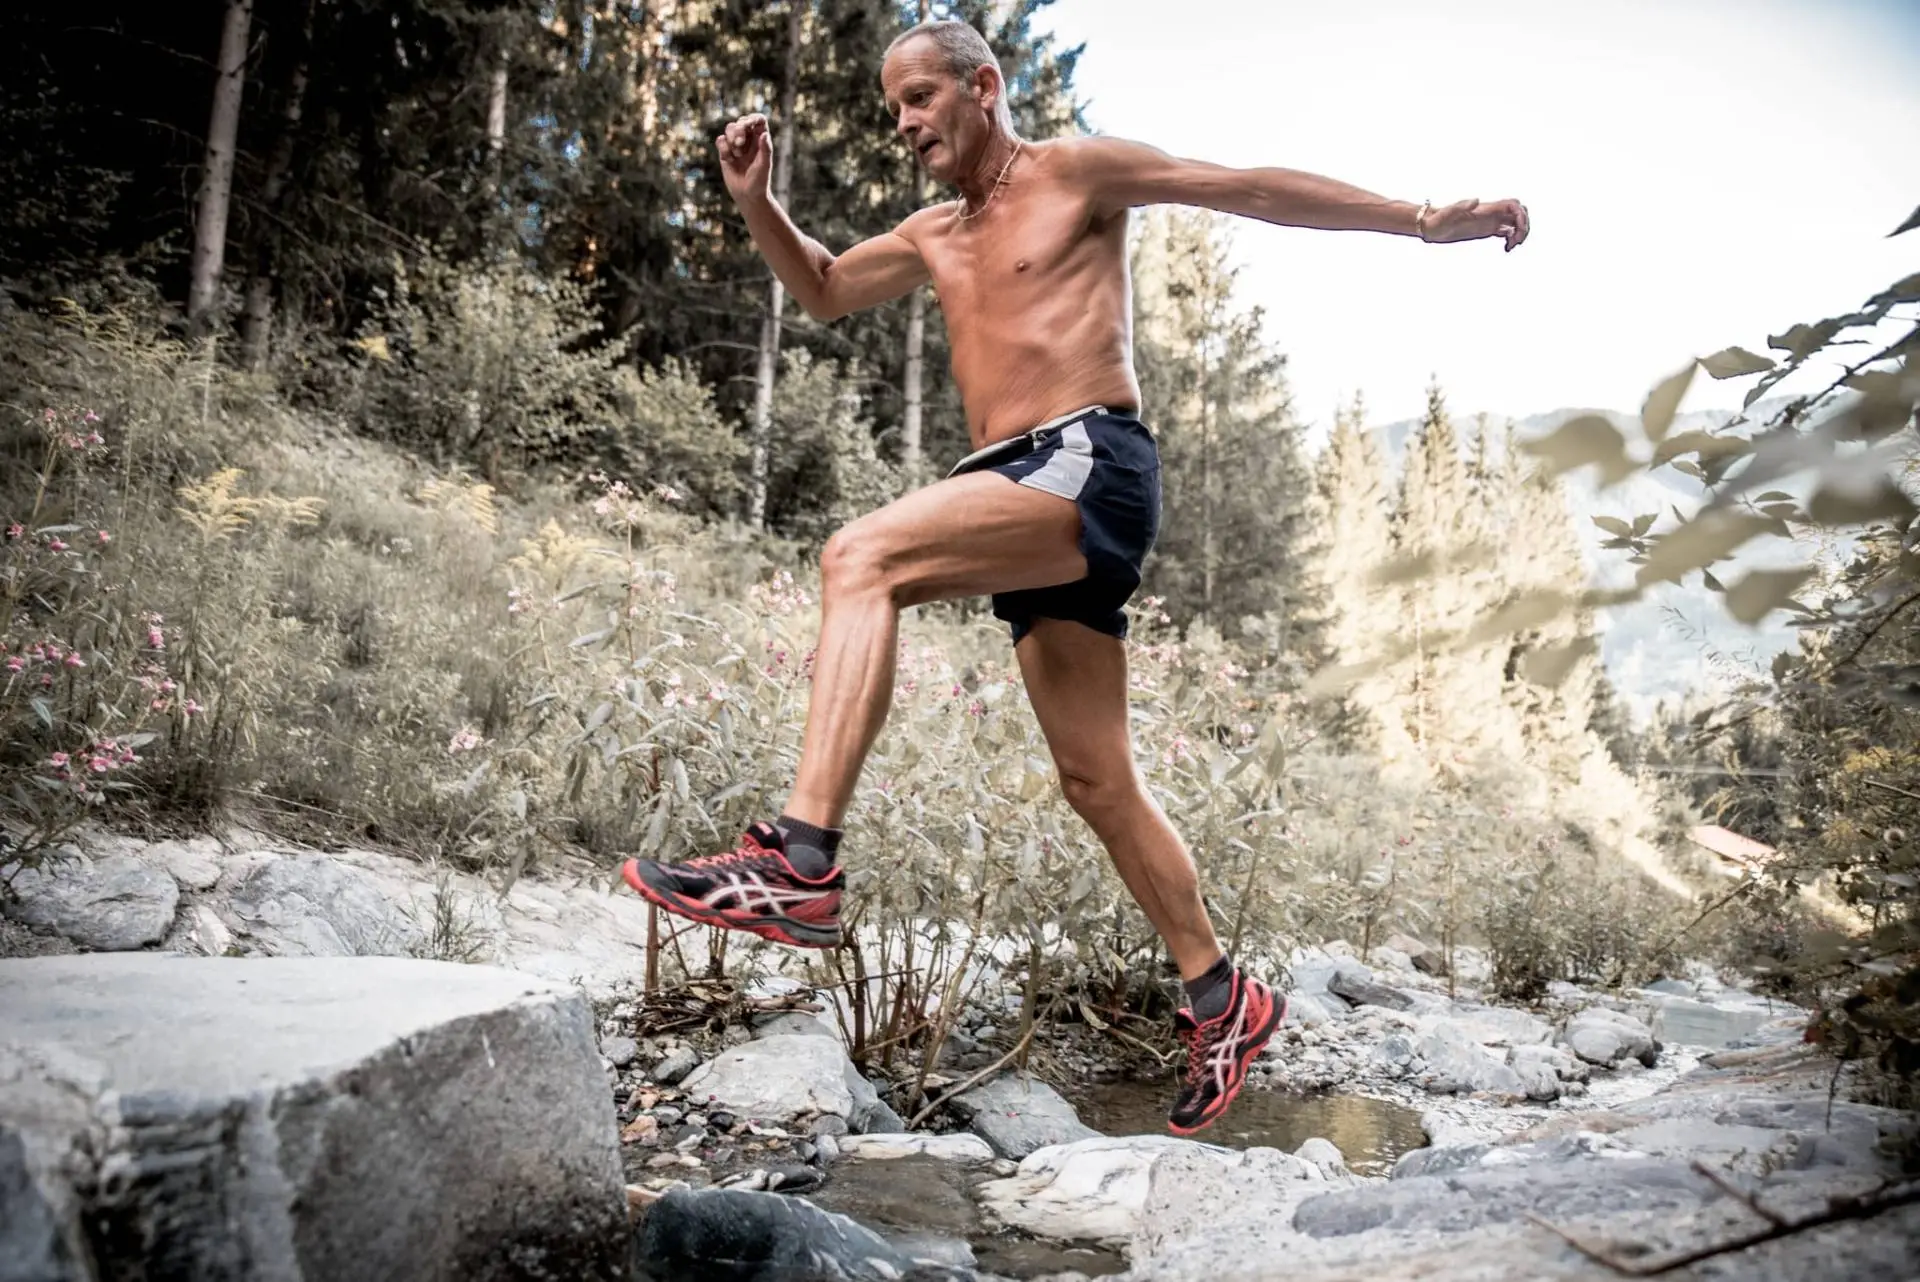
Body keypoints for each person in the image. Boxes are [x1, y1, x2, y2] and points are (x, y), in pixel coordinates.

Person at [623, 18, 1529, 1135]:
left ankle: (797, 859)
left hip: (1088, 460)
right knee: (1097, 781)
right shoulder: (934, 233)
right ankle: (1221, 994)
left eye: (918, 99)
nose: (904, 125)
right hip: (1017, 481)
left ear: (983, 86)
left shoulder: (1077, 176)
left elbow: (1243, 186)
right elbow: (819, 289)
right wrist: (759, 198)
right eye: (891, 109)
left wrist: (1421, 218)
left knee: (861, 556)